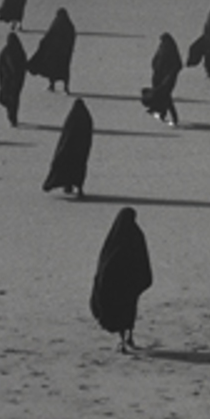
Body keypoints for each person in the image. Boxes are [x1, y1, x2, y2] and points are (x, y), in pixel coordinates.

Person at [90, 207, 152, 352]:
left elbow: (105, 262)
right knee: (129, 312)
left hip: (117, 285)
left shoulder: (114, 237)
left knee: (119, 313)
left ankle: (123, 340)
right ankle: (129, 338)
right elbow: (142, 259)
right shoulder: (136, 235)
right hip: (130, 285)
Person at [43, 98, 93, 198]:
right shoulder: (86, 119)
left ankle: (66, 186)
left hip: (69, 151)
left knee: (65, 167)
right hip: (80, 153)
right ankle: (78, 189)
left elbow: (66, 136)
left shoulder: (72, 120)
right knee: (78, 171)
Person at [27, 7, 77, 93]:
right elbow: (72, 37)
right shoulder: (69, 26)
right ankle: (66, 87)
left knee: (52, 68)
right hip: (64, 54)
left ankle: (52, 85)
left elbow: (49, 35)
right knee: (64, 69)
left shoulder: (56, 24)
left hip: (54, 52)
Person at [139, 32, 182, 126]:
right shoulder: (165, 48)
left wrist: (168, 76)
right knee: (164, 97)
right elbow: (156, 61)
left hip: (166, 79)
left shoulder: (167, 49)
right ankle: (162, 113)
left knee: (166, 97)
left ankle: (171, 117)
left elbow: (176, 65)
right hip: (161, 77)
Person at [0, 32, 29, 128]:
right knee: (14, 99)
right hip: (17, 81)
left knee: (9, 98)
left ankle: (12, 118)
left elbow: (0, 65)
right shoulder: (20, 51)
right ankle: (13, 118)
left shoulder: (6, 51)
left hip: (8, 80)